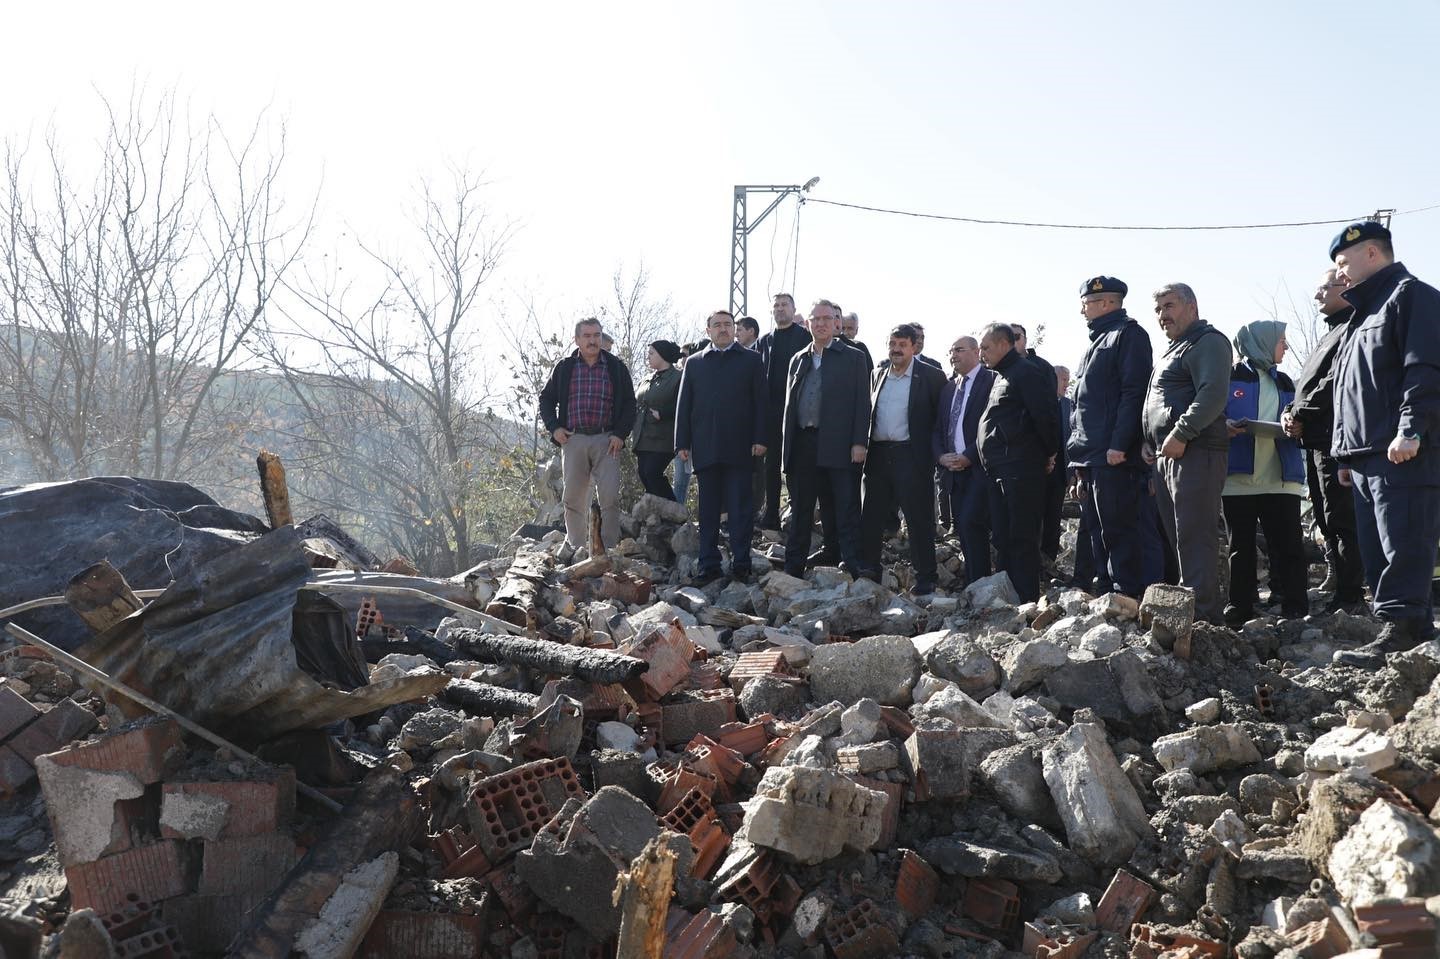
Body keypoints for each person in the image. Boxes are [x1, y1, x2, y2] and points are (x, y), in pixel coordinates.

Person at [1326, 222, 1440, 666]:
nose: (1340, 274)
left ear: (1372, 253)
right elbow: (1350, 391)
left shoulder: (1411, 296)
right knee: (1377, 549)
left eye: (1343, 262)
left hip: (1402, 450)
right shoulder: (1360, 316)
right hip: (1365, 454)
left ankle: (1405, 627)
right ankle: (1400, 632)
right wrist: (1344, 452)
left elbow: (1425, 369)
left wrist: (1410, 428)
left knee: (1404, 541)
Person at [1142, 283, 1233, 625]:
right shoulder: (1173, 349)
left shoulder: (1207, 342)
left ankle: (1203, 620)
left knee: (1195, 537)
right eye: (1158, 309)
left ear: (1192, 307)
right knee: (1179, 537)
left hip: (1195, 452)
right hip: (1168, 456)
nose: (1163, 315)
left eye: (1169, 306)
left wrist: (1181, 433)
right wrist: (1147, 440)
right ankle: (1186, 615)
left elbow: (1212, 394)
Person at [1068, 277, 1159, 599]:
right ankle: (1107, 591)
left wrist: (1120, 443)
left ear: (1107, 303)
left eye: (1088, 303)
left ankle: (1127, 593)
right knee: (1097, 531)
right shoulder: (1097, 340)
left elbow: (1133, 393)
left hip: (1113, 454)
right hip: (1092, 453)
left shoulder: (1128, 336)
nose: (1082, 309)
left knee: (1118, 529)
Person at [1282, 269, 1366, 611]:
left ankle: (1350, 596)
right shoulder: (1329, 332)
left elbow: (1334, 382)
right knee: (1326, 516)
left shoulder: (1353, 328)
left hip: (1337, 440)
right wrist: (1290, 412)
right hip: (1316, 440)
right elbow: (1307, 383)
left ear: (1345, 288)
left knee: (1343, 520)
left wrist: (1301, 414)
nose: (1318, 296)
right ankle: (1339, 591)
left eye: (1322, 289)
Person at [1222, 321, 1308, 623]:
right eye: (1281, 340)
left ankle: (1294, 605)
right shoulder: (1228, 377)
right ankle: (1240, 607)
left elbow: (1303, 417)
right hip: (1238, 479)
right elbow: (1212, 414)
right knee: (1240, 549)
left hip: (1282, 479)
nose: (1286, 346)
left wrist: (1297, 424)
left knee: (1288, 546)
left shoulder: (1286, 381)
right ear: (1262, 342)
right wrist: (1225, 426)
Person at [675, 311, 768, 585]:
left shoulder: (751, 360)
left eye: (728, 325)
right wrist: (682, 442)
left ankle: (741, 563)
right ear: (708, 331)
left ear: (735, 330)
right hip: (706, 447)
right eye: (717, 325)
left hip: (741, 447)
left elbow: (762, 403)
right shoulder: (694, 363)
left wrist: (761, 438)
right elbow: (684, 404)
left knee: (740, 509)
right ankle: (709, 564)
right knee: (708, 510)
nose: (723, 329)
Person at [780, 300, 871, 576]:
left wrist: (859, 442)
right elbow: (789, 407)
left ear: (836, 324)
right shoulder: (799, 359)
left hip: (840, 443)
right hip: (804, 443)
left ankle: (852, 563)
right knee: (802, 509)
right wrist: (787, 450)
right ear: (807, 323)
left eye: (826, 318)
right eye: (815, 319)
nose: (820, 324)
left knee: (844, 506)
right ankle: (793, 566)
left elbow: (862, 404)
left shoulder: (853, 357)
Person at [539, 318, 637, 562]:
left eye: (597, 335)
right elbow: (546, 399)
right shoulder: (564, 367)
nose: (593, 340)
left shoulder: (615, 367)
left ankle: (609, 552)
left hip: (607, 439)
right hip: (574, 439)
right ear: (577, 339)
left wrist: (620, 434)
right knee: (572, 497)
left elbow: (629, 405)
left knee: (610, 496)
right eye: (587, 336)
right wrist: (554, 428)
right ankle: (577, 550)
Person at [860, 323, 947, 592]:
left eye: (902, 345)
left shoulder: (931, 377)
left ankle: (926, 577)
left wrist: (934, 455)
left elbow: (940, 421)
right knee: (872, 515)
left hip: (911, 456)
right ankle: (868, 569)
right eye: (892, 344)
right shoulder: (878, 373)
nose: (896, 350)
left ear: (914, 347)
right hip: (877, 455)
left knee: (918, 518)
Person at [977, 323, 1060, 602]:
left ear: (1004, 344)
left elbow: (1046, 416)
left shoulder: (1026, 373)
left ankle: (1025, 599)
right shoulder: (1003, 375)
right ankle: (1007, 597)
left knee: (1022, 538)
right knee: (1003, 536)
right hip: (1002, 469)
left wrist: (1049, 454)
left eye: (986, 347)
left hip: (1021, 468)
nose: (982, 353)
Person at [934, 335, 999, 584]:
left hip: (980, 468)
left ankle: (983, 580)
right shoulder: (949, 387)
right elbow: (937, 428)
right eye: (950, 351)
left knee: (975, 522)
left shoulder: (991, 380)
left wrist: (969, 456)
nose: (953, 355)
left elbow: (992, 426)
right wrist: (941, 456)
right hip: (952, 471)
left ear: (975, 352)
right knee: (963, 527)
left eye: (959, 350)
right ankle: (974, 582)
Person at [757, 294, 813, 530]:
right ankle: (770, 515)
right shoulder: (764, 341)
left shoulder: (805, 338)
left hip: (797, 412)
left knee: (796, 464)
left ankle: (800, 517)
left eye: (784, 305)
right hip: (770, 412)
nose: (780, 309)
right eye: (776, 306)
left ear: (793, 309)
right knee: (770, 466)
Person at [631, 340, 684, 501]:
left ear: (663, 355)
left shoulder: (678, 377)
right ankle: (658, 517)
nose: (648, 356)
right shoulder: (647, 378)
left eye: (652, 353)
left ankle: (675, 513)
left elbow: (685, 404)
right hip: (642, 436)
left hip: (663, 437)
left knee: (652, 473)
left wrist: (664, 413)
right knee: (645, 475)